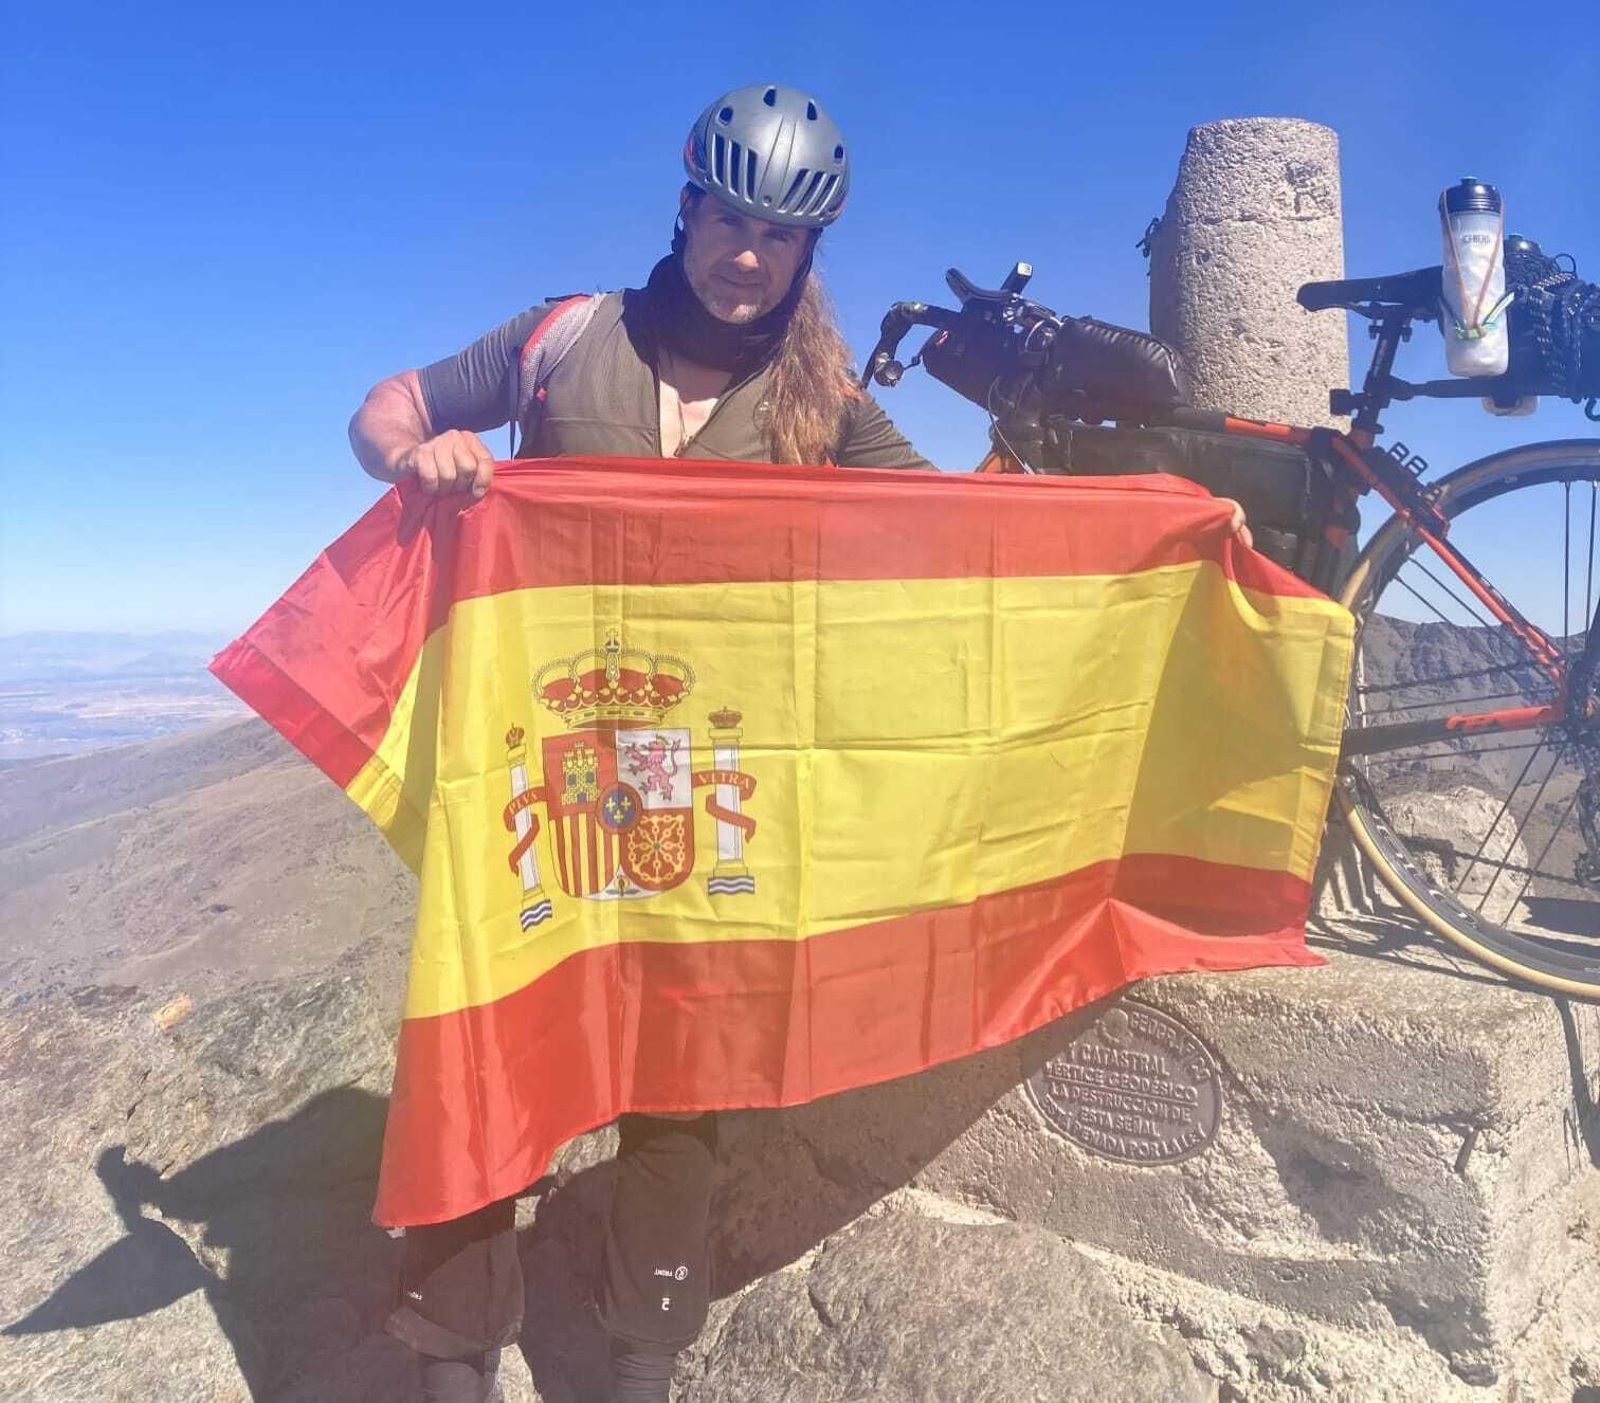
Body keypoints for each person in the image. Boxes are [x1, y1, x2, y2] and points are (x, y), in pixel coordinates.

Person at [348, 83, 934, 1403]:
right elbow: (386, 402)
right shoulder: (566, 337)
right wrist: (414, 456)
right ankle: (455, 1350)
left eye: (781, 237)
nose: (750, 253)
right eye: (732, 218)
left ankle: (639, 1360)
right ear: (688, 209)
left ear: (806, 253)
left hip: (705, 779)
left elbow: (948, 539)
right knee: (496, 1033)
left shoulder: (824, 398)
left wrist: (1132, 518)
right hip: (539, 758)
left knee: (683, 1073)